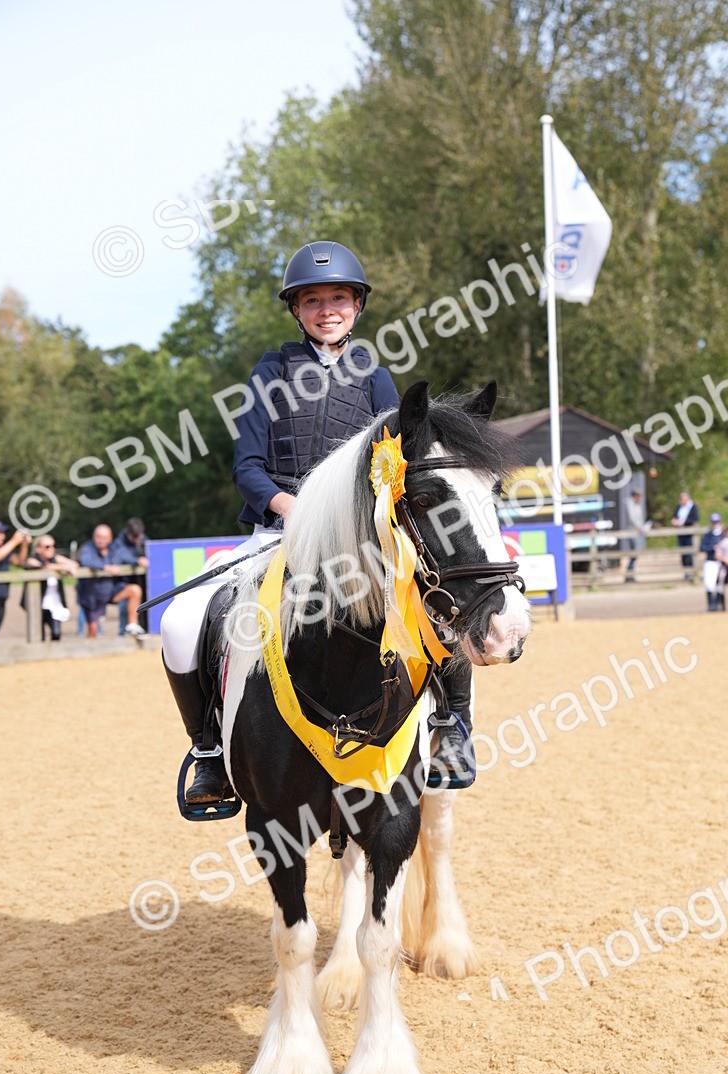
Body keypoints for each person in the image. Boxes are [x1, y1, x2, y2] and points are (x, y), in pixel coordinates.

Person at [162, 241, 482, 813]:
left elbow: (394, 464)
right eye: (313, 300)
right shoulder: (270, 373)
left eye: (338, 298)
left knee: (435, 601)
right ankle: (208, 749)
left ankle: (451, 723)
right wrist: (291, 508)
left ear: (357, 306)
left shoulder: (376, 379)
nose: (326, 309)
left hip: (356, 536)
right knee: (182, 621)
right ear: (296, 309)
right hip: (279, 531)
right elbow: (247, 468)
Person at [76, 524, 147, 638]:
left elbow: (126, 557)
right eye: (98, 537)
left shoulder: (115, 549)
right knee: (93, 629)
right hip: (92, 595)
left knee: (134, 590)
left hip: (111, 590)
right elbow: (86, 560)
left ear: (110, 539)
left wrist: (138, 560)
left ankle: (132, 625)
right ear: (94, 537)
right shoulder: (87, 548)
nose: (101, 540)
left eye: (104, 537)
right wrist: (105, 567)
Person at [21, 535, 78, 640]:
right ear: (38, 549)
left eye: (53, 546)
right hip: (37, 604)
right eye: (47, 547)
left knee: (56, 634)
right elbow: (42, 567)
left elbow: (73, 564)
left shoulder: (55, 558)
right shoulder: (32, 560)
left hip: (54, 605)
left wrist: (66, 566)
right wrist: (62, 567)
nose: (51, 549)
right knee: (38, 636)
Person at [0, 519, 31, 645]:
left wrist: (24, 545)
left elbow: (19, 561)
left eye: (3, 533)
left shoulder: (3, 549)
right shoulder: (0, 550)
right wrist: (14, 541)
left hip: (0, 599)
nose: (2, 536)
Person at [112, 517, 149, 633]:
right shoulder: (118, 543)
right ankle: (123, 634)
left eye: (139, 536)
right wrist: (136, 560)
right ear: (127, 533)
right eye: (135, 537)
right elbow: (120, 557)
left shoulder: (142, 538)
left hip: (142, 583)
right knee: (125, 609)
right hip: (124, 584)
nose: (138, 539)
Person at [671, 490, 699, 581]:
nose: (681, 501)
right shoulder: (679, 507)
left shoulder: (693, 507)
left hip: (689, 533)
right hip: (681, 533)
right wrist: (674, 521)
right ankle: (686, 572)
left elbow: (695, 519)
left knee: (689, 553)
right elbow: (674, 516)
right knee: (683, 553)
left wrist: (684, 522)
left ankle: (691, 571)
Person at [700, 513, 725, 612]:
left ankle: (718, 603)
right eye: (714, 522)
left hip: (722, 561)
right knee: (709, 583)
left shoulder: (723, 534)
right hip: (711, 560)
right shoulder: (708, 534)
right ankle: (711, 604)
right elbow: (702, 547)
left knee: (720, 583)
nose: (715, 524)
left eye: (717, 522)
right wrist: (712, 548)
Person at [623, 489, 649, 582]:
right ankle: (629, 574)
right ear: (635, 496)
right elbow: (632, 518)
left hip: (638, 532)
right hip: (632, 532)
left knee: (635, 554)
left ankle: (630, 574)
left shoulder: (637, 505)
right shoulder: (630, 504)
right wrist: (639, 527)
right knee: (634, 553)